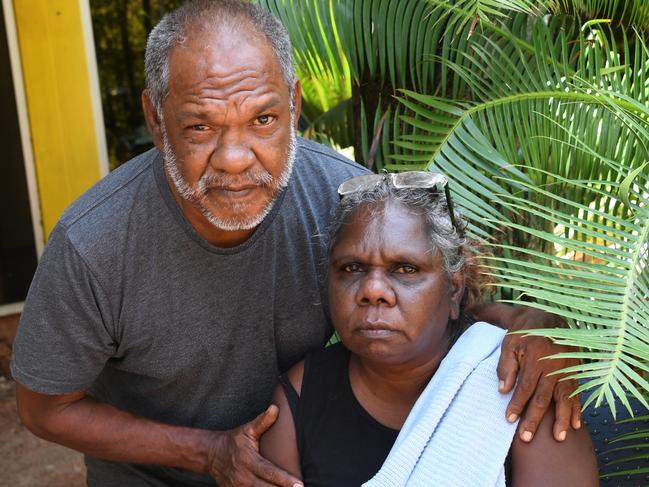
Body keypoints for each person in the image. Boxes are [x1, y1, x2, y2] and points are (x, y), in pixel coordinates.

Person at [11, 1, 580, 486]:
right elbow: (44, 408)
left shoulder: (340, 199)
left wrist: (536, 327)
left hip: (290, 457)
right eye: (201, 127)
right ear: (156, 120)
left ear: (294, 106)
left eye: (263, 120)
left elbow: (436, 290)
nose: (235, 159)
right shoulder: (95, 243)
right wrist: (207, 452)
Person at [260, 172, 599, 486]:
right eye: (352, 268)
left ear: (454, 289)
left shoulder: (523, 380)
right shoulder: (300, 397)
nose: (372, 290)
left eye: (405, 269)